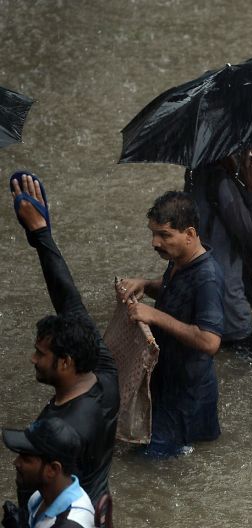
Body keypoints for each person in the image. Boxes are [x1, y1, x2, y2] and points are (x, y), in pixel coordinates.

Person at [7, 173, 118, 519]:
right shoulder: (104, 374)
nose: (33, 359)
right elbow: (69, 301)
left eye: (42, 354)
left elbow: (34, 486)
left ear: (66, 362)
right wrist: (41, 235)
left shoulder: (61, 431)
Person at [116, 191, 224, 457]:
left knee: (143, 466)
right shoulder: (180, 261)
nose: (155, 242)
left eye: (164, 235)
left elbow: (210, 341)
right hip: (169, 385)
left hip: (186, 399)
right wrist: (146, 284)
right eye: (153, 233)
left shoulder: (207, 278)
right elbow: (175, 292)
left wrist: (153, 316)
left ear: (189, 234)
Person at [185, 147, 252, 358]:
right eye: (251, 149)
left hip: (204, 306)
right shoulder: (221, 183)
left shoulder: (195, 174)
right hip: (231, 316)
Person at [3, 418, 95, 528]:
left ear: (53, 469)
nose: (16, 462)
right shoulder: (39, 497)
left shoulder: (71, 522)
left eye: (26, 459)